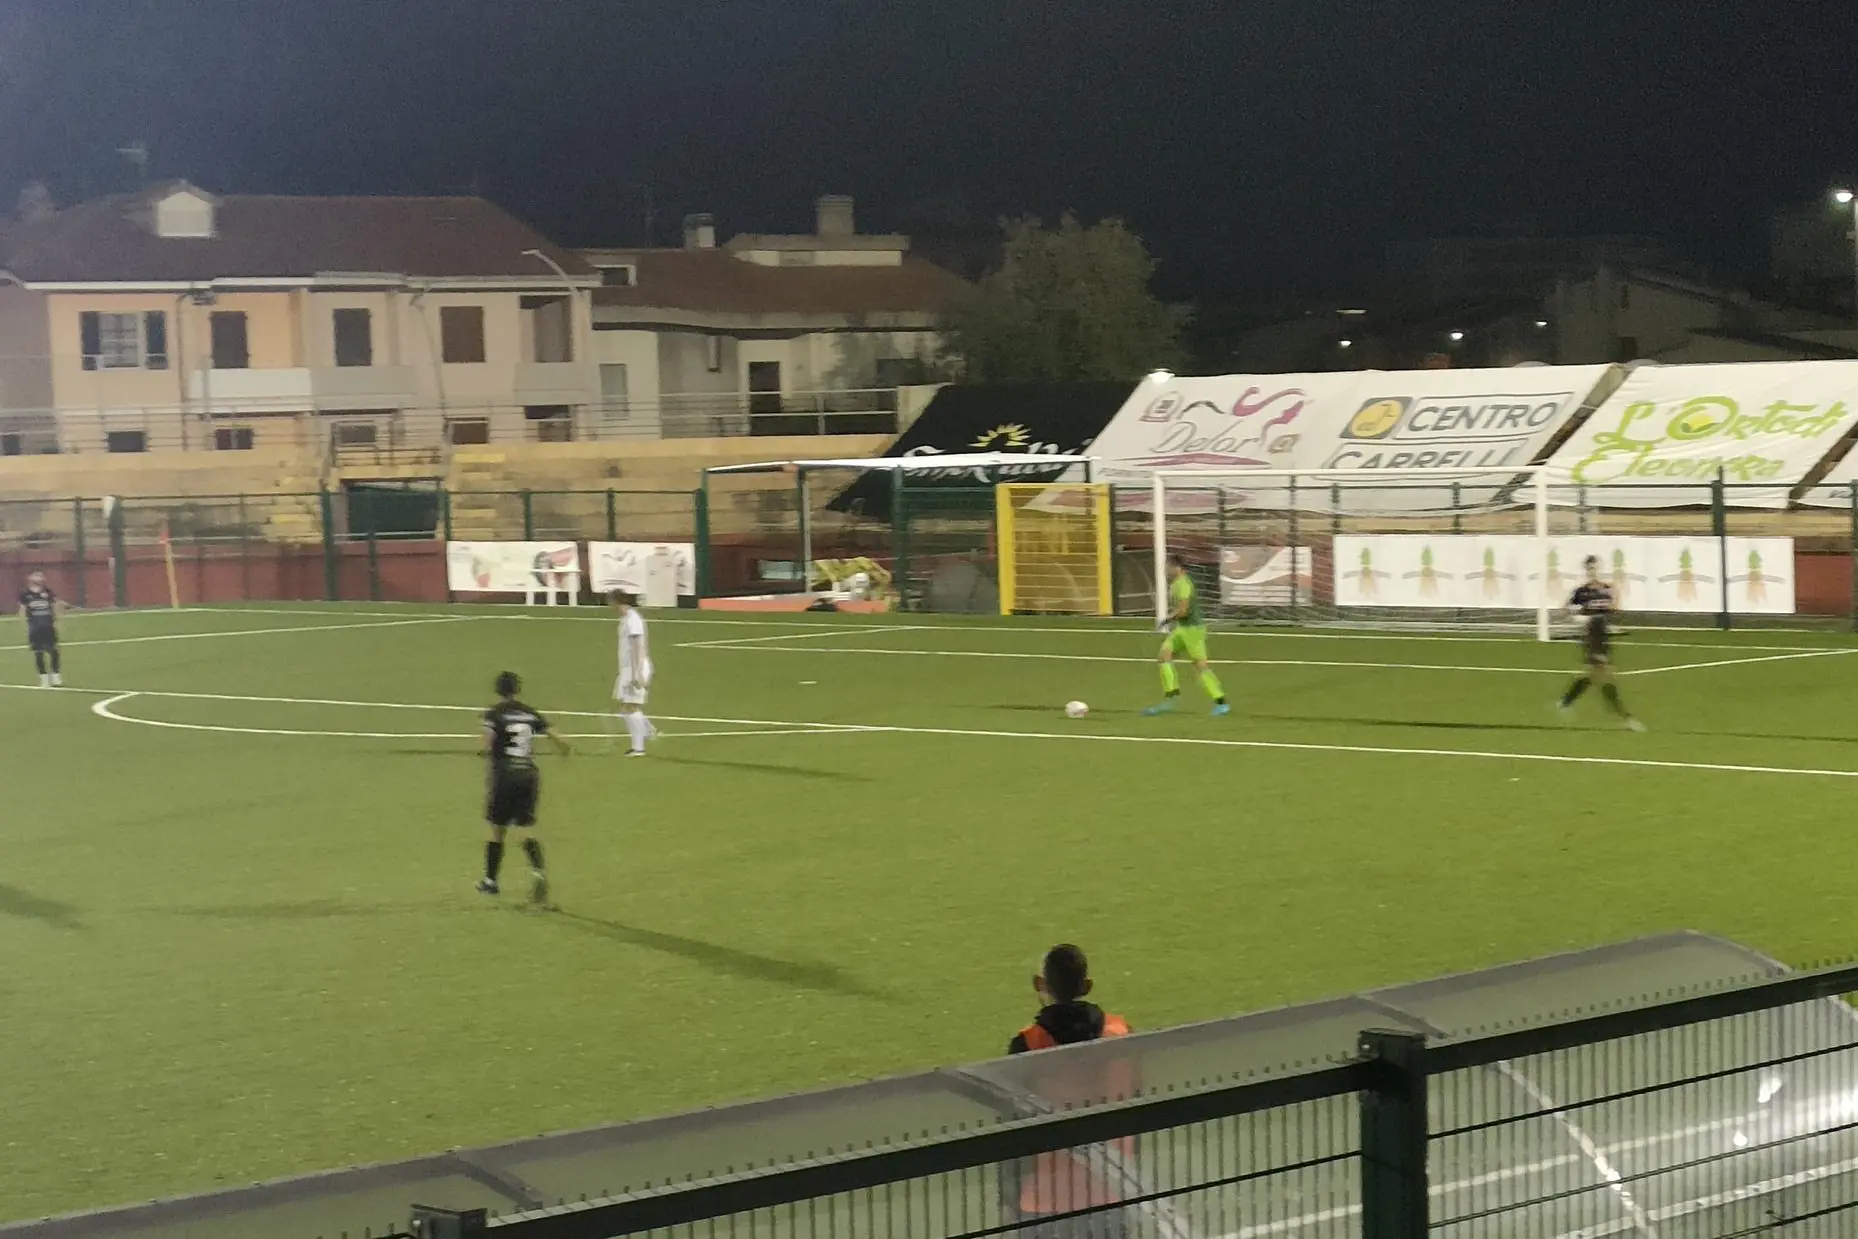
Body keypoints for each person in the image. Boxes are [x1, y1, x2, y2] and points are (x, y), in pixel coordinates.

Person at [1006, 945, 1135, 1239]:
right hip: (1111, 1189)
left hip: (1045, 1200)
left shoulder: (1028, 1044)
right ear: (1087, 986)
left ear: (1040, 985)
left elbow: (1014, 1132)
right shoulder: (1122, 1033)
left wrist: (1010, 1196)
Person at [478, 671, 569, 902]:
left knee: (497, 829)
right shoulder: (529, 713)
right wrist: (564, 750)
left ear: (498, 690)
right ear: (517, 690)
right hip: (528, 774)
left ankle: (490, 881)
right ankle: (538, 871)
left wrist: (483, 752)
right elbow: (557, 738)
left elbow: (487, 743)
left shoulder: (494, 714)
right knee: (523, 829)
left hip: (505, 775)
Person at [1559, 556, 1645, 731]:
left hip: (1603, 635)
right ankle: (1626, 718)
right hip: (1591, 636)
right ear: (1586, 571)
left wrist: (1614, 606)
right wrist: (1579, 617)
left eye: (1595, 568)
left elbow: (1617, 609)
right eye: (1589, 569)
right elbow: (1565, 609)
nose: (1592, 572)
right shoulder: (1581, 592)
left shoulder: (1607, 589)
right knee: (1605, 675)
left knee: (1594, 675)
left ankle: (1565, 702)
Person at [1143, 555, 1228, 717]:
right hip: (1182, 629)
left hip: (1193, 631)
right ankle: (1171, 696)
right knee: (1164, 656)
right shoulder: (1176, 584)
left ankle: (1221, 702)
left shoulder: (1183, 584)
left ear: (1177, 568)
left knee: (1200, 666)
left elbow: (1184, 611)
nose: (1166, 570)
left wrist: (1167, 619)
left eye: (1168, 567)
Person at [611, 590, 657, 756]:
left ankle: (639, 748)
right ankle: (648, 730)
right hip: (628, 668)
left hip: (634, 668)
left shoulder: (633, 619)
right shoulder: (627, 619)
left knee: (630, 707)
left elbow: (638, 645)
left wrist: (637, 673)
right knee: (625, 707)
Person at [18, 571, 63, 688]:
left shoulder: (48, 592)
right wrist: (25, 624)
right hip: (35, 627)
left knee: (54, 651)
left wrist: (57, 620)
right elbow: (22, 609)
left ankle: (55, 675)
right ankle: (43, 678)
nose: (40, 578)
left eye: (41, 575)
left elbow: (54, 606)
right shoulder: (25, 594)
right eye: (37, 575)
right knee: (39, 652)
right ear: (30, 578)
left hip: (48, 626)